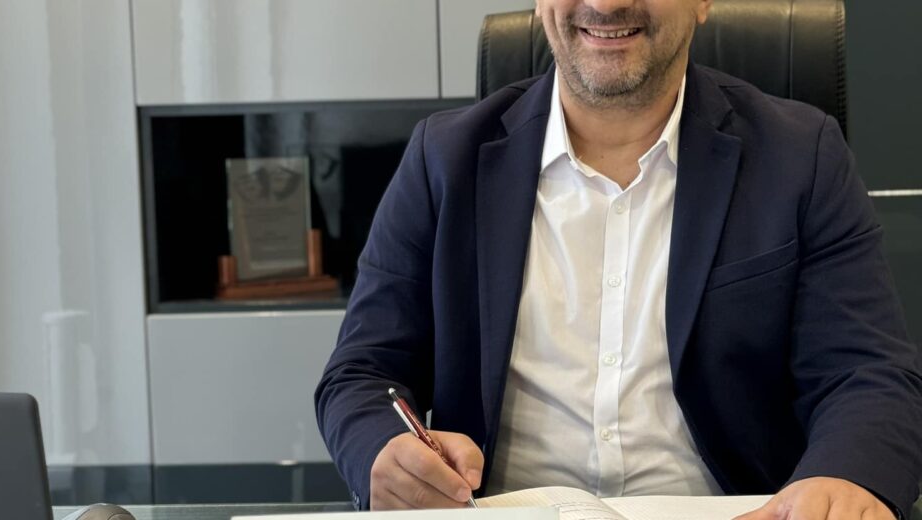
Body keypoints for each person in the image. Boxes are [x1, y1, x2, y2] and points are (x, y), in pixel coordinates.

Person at [315, 0, 922, 518]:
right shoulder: (442, 160)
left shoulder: (800, 157)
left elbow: (867, 374)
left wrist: (847, 478)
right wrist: (382, 449)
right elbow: (362, 373)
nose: (606, 4)